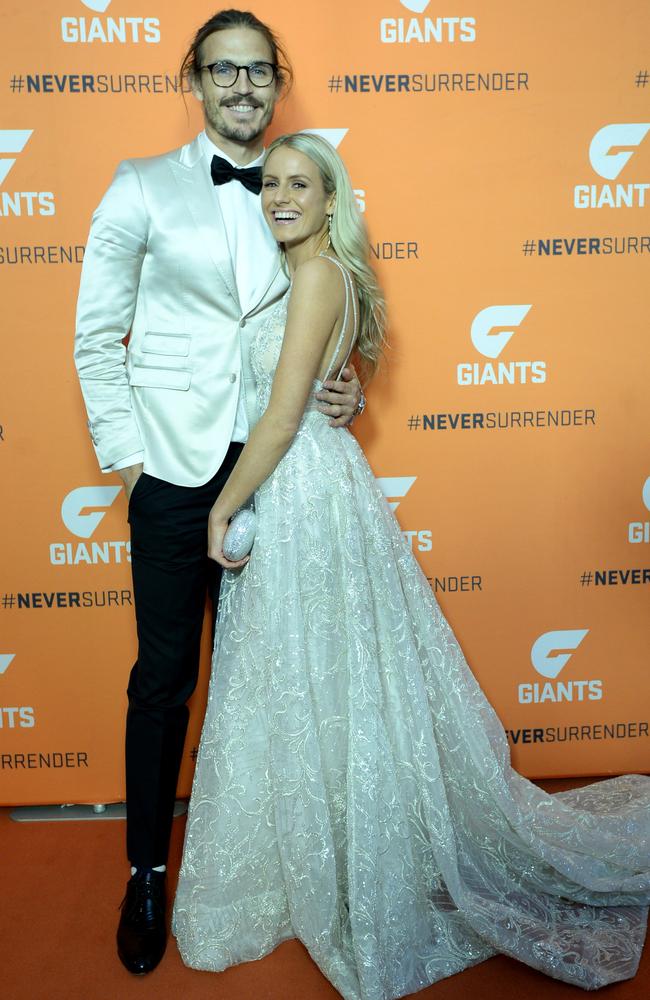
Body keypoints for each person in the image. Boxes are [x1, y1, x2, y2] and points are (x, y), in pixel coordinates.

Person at [172, 132, 650, 999]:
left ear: (330, 200)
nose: (280, 196)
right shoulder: (315, 278)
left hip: (295, 491)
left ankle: (345, 861)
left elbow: (281, 420)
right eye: (270, 183)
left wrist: (217, 506)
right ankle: (330, 847)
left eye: (300, 185)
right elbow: (317, 392)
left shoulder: (317, 277)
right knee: (322, 677)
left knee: (309, 675)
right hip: (316, 488)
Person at [73, 9, 362, 977]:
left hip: (276, 480)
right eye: (222, 70)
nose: (242, 87)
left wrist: (345, 382)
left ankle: (287, 862)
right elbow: (94, 338)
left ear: (276, 82)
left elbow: (325, 307)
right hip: (172, 473)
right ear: (192, 80)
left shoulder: (295, 188)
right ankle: (148, 870)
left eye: (258, 71)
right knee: (164, 681)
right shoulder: (139, 188)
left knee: (277, 679)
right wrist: (133, 461)